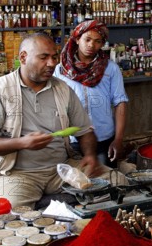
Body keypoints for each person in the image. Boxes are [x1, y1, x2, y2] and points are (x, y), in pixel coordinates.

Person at [0, 33, 100, 208]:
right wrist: (22, 143)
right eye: (44, 57)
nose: (52, 63)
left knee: (114, 182)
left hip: (60, 170)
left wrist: (90, 155)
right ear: (23, 57)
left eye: (55, 57)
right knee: (12, 209)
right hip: (15, 174)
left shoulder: (63, 89)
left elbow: (84, 131)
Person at [54, 20, 128, 168]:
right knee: (76, 184)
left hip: (104, 138)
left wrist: (118, 139)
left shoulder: (110, 69)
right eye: (87, 39)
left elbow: (120, 102)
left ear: (102, 44)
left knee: (105, 182)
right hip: (73, 139)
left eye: (97, 41)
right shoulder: (61, 70)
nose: (91, 45)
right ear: (77, 39)